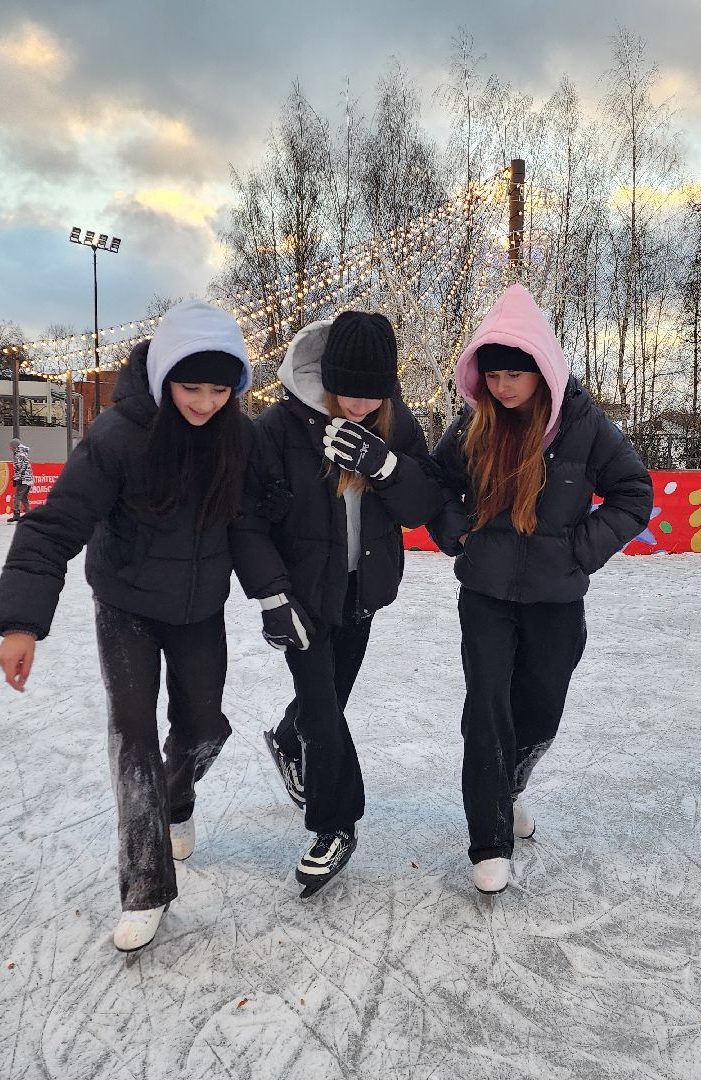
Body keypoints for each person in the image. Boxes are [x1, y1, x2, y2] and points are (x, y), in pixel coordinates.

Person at [0, 300, 264, 954]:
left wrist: (282, 594)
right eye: (190, 386)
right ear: (166, 376)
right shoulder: (118, 435)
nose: (203, 402)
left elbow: (255, 522)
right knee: (134, 735)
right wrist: (23, 622)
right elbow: (55, 526)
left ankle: (178, 800)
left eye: (219, 389)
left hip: (200, 607)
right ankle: (145, 885)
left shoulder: (240, 437)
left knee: (205, 726)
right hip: (127, 606)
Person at [426, 284, 653, 894]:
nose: (502, 387)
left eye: (515, 375)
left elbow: (635, 494)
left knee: (540, 710)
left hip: (557, 600)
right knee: (488, 708)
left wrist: (578, 551)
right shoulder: (472, 429)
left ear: (544, 371)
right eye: (493, 374)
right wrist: (459, 536)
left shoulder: (583, 425)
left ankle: (509, 789)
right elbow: (436, 489)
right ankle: (489, 837)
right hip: (486, 595)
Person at [245, 310, 444, 897]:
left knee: (329, 700)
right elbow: (247, 520)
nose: (358, 406)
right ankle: (336, 824)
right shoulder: (278, 428)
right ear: (327, 378)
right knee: (324, 706)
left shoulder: (395, 422)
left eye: (372, 394)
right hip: (301, 594)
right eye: (347, 393)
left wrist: (384, 466)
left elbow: (424, 503)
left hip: (362, 589)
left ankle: (289, 737)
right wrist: (272, 594)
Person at [8, 438, 34, 522]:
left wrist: (16, 479)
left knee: (17, 497)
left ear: (15, 447)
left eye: (11, 447)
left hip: (23, 479)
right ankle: (29, 513)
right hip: (28, 479)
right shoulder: (24, 454)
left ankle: (16, 514)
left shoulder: (19, 455)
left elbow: (20, 468)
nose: (10, 448)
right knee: (23, 497)